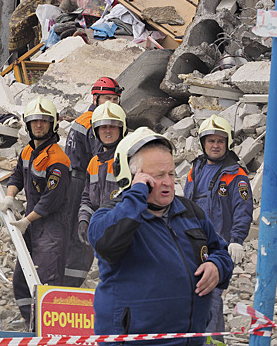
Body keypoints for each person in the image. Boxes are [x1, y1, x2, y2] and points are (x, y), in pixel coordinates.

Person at [88, 127, 233, 346]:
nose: (167, 182)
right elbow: (107, 245)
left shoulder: (190, 212)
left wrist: (216, 266)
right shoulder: (109, 216)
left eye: (171, 174)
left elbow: (221, 252)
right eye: (157, 176)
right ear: (132, 178)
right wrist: (135, 193)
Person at [0, 96, 71, 327]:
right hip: (31, 223)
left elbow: (51, 200)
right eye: (34, 121)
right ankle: (30, 322)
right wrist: (10, 195)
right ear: (27, 125)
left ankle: (48, 329)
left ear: (53, 124)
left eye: (44, 121)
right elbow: (18, 175)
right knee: (22, 279)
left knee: (46, 282)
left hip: (51, 227)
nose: (38, 125)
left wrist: (26, 221)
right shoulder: (28, 152)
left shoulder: (58, 160)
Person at [184, 114, 253, 340]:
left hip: (218, 249)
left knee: (210, 298)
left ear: (227, 143)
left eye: (220, 141)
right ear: (203, 143)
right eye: (211, 140)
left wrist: (236, 240)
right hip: (191, 245)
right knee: (193, 299)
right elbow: (186, 203)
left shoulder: (237, 175)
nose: (215, 145)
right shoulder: (196, 168)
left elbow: (243, 210)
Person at [64, 76, 123, 287]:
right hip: (83, 181)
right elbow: (102, 157)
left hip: (79, 179)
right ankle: (72, 284)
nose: (111, 104)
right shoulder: (95, 122)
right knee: (81, 235)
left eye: (115, 99)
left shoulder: (83, 119)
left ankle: (69, 281)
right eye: (107, 98)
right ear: (95, 98)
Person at [77, 101, 127, 247]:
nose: (108, 130)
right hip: (102, 234)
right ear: (96, 131)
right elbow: (87, 198)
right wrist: (84, 220)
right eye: (103, 127)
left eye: (113, 126)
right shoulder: (94, 163)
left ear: (122, 128)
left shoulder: (128, 159)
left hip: (124, 234)